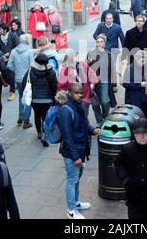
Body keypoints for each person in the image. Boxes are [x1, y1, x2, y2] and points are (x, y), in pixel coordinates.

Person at [56, 83, 101, 219]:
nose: (80, 95)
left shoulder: (79, 105)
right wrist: (75, 157)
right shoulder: (65, 111)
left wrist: (92, 130)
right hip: (72, 152)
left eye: (81, 92)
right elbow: (67, 136)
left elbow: (84, 123)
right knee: (72, 179)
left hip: (81, 148)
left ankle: (75, 202)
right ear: (69, 93)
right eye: (76, 93)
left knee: (76, 178)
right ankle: (71, 210)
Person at [22, 53, 58, 147]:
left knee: (37, 115)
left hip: (35, 99)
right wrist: (54, 96)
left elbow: (24, 82)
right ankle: (45, 133)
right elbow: (54, 86)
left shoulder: (30, 71)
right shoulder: (51, 72)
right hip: (47, 99)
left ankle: (39, 132)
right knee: (45, 117)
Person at [86, 35, 117, 126]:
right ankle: (100, 121)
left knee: (104, 102)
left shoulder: (108, 54)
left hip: (104, 81)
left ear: (104, 43)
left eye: (101, 42)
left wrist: (114, 83)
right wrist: (88, 62)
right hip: (93, 82)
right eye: (98, 42)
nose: (99, 43)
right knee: (95, 104)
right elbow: (85, 67)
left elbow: (113, 69)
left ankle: (104, 117)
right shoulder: (91, 53)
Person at [58, 49, 98, 118]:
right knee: (75, 118)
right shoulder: (65, 70)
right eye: (76, 56)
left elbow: (92, 75)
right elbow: (60, 87)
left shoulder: (83, 64)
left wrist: (91, 85)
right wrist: (67, 94)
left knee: (84, 117)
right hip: (72, 101)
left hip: (85, 97)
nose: (78, 58)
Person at [7, 34, 34, 128]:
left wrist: (17, 70)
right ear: (27, 41)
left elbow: (9, 65)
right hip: (28, 78)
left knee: (21, 97)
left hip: (18, 78)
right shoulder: (30, 51)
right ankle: (26, 120)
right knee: (28, 98)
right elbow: (32, 66)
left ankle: (20, 115)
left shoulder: (14, 51)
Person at [122, 50, 147, 118]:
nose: (144, 63)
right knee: (135, 116)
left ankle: (145, 126)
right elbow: (125, 84)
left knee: (145, 114)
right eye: (141, 61)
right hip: (134, 98)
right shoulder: (129, 69)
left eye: (145, 61)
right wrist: (139, 84)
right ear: (136, 59)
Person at [0, 23, 19, 101]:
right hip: (3, 58)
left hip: (12, 58)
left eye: (0, 29)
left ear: (5, 30)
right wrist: (2, 55)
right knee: (4, 73)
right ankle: (11, 83)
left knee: (11, 73)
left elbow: (17, 46)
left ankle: (12, 91)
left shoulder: (13, 35)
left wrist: (10, 53)